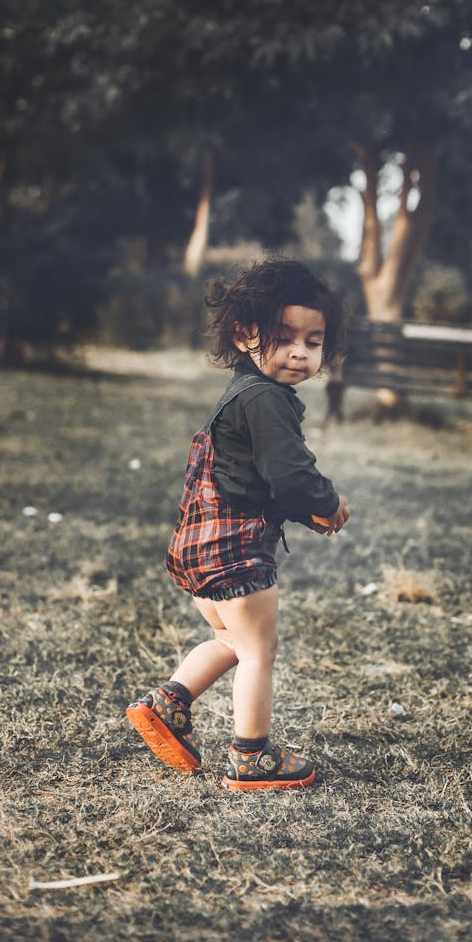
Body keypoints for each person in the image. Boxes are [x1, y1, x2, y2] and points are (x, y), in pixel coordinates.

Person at [127, 258, 350, 791]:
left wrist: (304, 507)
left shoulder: (242, 393)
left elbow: (261, 475)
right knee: (258, 653)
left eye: (313, 341)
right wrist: (328, 502)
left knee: (232, 640)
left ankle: (167, 703)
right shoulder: (267, 400)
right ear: (246, 334)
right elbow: (289, 475)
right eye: (285, 337)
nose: (301, 352)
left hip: (196, 551)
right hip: (234, 552)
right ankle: (250, 757)